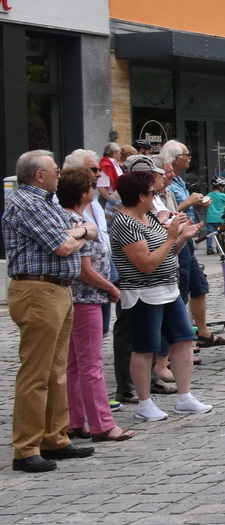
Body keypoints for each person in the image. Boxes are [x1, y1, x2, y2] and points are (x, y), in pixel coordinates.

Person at [5, 151, 101, 472]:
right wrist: (78, 233)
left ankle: (54, 437)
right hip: (37, 289)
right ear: (38, 175)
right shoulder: (27, 203)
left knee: (56, 371)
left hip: (58, 288)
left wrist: (79, 232)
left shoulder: (47, 203)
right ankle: (26, 448)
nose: (60, 175)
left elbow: (89, 229)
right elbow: (62, 245)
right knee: (36, 373)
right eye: (55, 170)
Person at [109, 166, 212, 423]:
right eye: (152, 193)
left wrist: (181, 239)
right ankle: (144, 402)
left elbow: (167, 254)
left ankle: (184, 396)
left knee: (183, 340)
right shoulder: (124, 223)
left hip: (168, 288)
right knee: (144, 348)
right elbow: (145, 263)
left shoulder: (150, 218)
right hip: (143, 293)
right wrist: (171, 238)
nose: (155, 198)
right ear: (141, 196)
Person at [55, 168, 131, 444]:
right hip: (86, 297)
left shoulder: (69, 217)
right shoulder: (76, 220)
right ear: (84, 192)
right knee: (90, 364)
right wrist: (111, 286)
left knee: (75, 363)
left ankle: (74, 420)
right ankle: (102, 423)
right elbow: (85, 269)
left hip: (77, 298)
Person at [160, 141, 225, 349]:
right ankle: (177, 339)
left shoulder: (178, 179)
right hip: (176, 239)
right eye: (187, 154)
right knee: (182, 285)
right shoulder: (165, 181)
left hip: (187, 239)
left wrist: (196, 202)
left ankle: (202, 332)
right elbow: (163, 213)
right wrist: (188, 202)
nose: (190, 158)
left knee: (198, 284)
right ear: (176, 158)